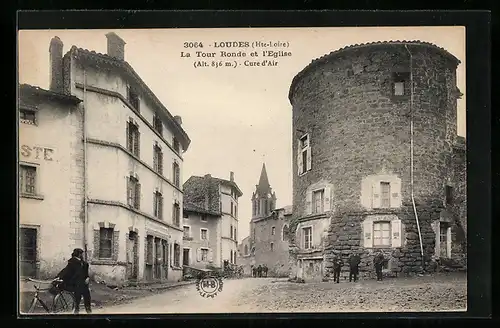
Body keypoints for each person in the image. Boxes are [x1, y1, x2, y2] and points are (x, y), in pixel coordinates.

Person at [56, 248, 92, 314]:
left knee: (87, 297)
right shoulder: (72, 263)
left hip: (83, 284)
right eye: (81, 254)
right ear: (79, 254)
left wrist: (87, 278)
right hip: (75, 284)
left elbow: (86, 274)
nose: (82, 255)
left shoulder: (84, 264)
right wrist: (59, 277)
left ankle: (88, 311)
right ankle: (76, 311)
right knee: (77, 299)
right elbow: (66, 271)